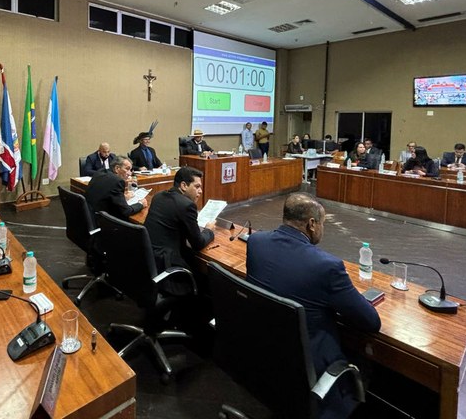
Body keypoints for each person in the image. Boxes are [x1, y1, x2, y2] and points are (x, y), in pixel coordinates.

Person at [246, 193, 381, 418]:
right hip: (306, 368)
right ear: (311, 224)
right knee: (366, 364)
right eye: (323, 224)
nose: (322, 229)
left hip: (262, 353)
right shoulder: (327, 267)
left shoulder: (256, 242)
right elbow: (371, 321)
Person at [144, 166, 214, 295]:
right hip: (166, 265)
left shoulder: (158, 196)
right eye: (197, 187)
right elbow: (198, 244)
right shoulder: (186, 205)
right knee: (208, 279)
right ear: (183, 186)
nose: (200, 191)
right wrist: (209, 230)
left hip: (149, 260)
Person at [85, 156, 147, 224]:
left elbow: (106, 194)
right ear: (117, 168)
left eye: (130, 170)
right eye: (127, 169)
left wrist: (123, 197)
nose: (130, 173)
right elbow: (126, 211)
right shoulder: (117, 181)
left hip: (88, 217)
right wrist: (140, 204)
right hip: (103, 222)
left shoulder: (100, 172)